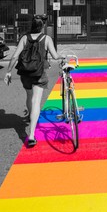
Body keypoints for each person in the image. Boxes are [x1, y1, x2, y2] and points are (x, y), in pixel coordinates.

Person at [4, 14, 65, 148]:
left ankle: (31, 116)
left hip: (25, 73)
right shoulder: (46, 38)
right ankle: (31, 135)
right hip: (39, 73)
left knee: (29, 96)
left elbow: (15, 56)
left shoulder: (24, 38)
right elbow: (55, 56)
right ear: (42, 26)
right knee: (36, 101)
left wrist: (8, 72)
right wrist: (63, 56)